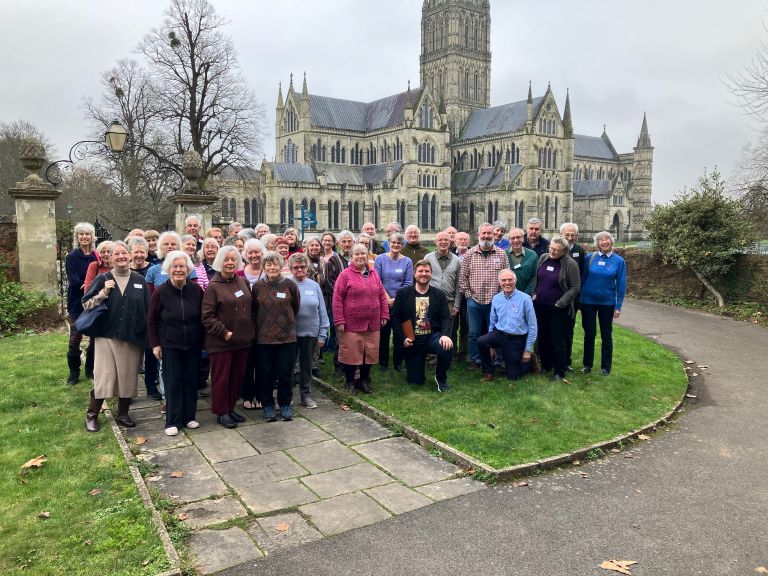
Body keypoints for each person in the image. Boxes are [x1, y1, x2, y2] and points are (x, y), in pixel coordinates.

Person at [82, 241, 149, 432]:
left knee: (128, 377)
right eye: (116, 254)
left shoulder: (139, 280)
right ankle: (92, 415)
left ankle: (123, 414)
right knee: (105, 375)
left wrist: (146, 335)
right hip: (106, 336)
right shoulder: (103, 278)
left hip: (131, 336)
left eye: (124, 253)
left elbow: (147, 308)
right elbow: (86, 304)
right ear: (110, 258)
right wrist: (103, 293)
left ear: (129, 256)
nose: (121, 257)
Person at [147, 251, 205, 436]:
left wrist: (204, 340)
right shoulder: (161, 292)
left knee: (190, 380)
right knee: (173, 382)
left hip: (193, 345)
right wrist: (155, 344)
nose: (179, 270)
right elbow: (151, 320)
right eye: (175, 266)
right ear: (168, 269)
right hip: (170, 345)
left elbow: (203, 317)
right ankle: (172, 420)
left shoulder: (196, 290)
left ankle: (189, 417)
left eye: (182, 266)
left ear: (188, 269)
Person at [201, 245, 255, 429]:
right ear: (219, 262)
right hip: (221, 342)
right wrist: (224, 332)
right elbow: (207, 317)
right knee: (221, 378)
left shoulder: (242, 282)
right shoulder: (213, 287)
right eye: (226, 259)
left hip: (242, 341)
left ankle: (230, 408)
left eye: (233, 259)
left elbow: (250, 307)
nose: (230, 262)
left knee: (236, 377)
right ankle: (221, 412)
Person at [333, 243, 389, 394]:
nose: (360, 256)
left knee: (369, 354)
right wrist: (339, 320)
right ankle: (350, 382)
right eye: (356, 254)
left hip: (373, 322)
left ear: (367, 256)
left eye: (363, 254)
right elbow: (337, 298)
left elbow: (381, 295)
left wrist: (384, 314)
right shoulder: (345, 275)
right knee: (352, 354)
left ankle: (363, 381)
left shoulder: (374, 274)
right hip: (351, 323)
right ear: (351, 257)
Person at [391, 260, 454, 391]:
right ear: (414, 274)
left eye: (427, 271)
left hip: (432, 336)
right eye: (420, 271)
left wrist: (445, 335)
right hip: (413, 340)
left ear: (431, 274)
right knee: (415, 381)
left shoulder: (439, 294)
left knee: (446, 346)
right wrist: (402, 338)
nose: (423, 274)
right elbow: (395, 318)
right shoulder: (403, 293)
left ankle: (440, 378)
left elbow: (446, 318)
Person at [253, 252, 301, 421]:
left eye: (275, 264)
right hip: (264, 339)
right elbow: (254, 310)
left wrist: (286, 324)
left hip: (286, 337)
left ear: (281, 266)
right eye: (268, 265)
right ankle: (267, 405)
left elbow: (295, 307)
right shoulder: (257, 286)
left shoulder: (290, 285)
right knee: (265, 373)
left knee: (285, 373)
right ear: (264, 267)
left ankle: (285, 404)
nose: (272, 268)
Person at [457, 223, 510, 369]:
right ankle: (476, 359)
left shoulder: (501, 254)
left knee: (496, 331)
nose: (486, 236)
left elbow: (506, 277)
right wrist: (468, 295)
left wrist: (501, 297)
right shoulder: (470, 254)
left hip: (496, 301)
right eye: (483, 233)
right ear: (478, 235)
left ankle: (498, 360)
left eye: (489, 233)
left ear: (493, 235)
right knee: (473, 333)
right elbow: (463, 278)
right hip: (474, 301)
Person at [531, 235, 581, 382]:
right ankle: (546, 365)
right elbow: (537, 278)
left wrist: (560, 303)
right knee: (544, 338)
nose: (552, 252)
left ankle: (559, 371)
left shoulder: (570, 264)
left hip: (559, 310)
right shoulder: (544, 258)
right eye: (551, 248)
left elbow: (575, 287)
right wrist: (534, 292)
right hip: (540, 306)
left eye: (556, 250)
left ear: (564, 251)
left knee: (558, 341)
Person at [580, 231, 627, 376]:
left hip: (607, 303)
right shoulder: (590, 258)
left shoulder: (619, 261)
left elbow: (621, 284)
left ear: (612, 241)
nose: (605, 242)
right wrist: (579, 300)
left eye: (607, 239)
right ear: (597, 243)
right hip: (587, 301)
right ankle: (587, 365)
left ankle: (605, 367)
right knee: (589, 334)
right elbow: (582, 280)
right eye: (601, 240)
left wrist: (618, 306)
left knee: (606, 335)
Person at [478, 270, 538, 381]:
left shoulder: (525, 299)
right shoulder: (496, 298)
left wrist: (528, 350)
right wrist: (491, 344)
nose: (507, 283)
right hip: (500, 334)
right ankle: (488, 373)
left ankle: (530, 362)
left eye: (510, 280)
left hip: (517, 338)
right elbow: (492, 321)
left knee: (514, 376)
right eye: (504, 280)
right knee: (481, 341)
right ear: (500, 283)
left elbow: (533, 326)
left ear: (515, 281)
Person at [288, 252, 329, 409]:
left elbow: (322, 312)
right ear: (291, 269)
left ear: (307, 268)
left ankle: (306, 395)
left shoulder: (314, 285)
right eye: (296, 267)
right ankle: (288, 395)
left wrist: (322, 334)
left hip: (310, 333)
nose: (299, 270)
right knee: (289, 366)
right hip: (291, 334)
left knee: (307, 366)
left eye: (302, 267)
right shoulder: (287, 284)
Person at [374, 232, 413, 373]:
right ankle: (383, 364)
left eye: (399, 243)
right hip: (383, 302)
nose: (396, 245)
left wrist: (396, 299)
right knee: (383, 334)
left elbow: (408, 283)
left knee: (399, 334)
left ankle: (398, 363)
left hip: (400, 303)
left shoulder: (407, 261)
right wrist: (387, 298)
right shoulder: (380, 259)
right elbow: (377, 280)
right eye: (393, 242)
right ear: (388, 243)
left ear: (402, 245)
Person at [65, 223, 98, 384]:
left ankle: (90, 369)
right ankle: (74, 372)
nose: (85, 237)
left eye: (87, 234)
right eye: (81, 234)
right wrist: (92, 284)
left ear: (92, 237)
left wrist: (92, 286)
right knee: (75, 338)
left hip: (94, 302)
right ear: (77, 237)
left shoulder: (96, 256)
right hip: (77, 302)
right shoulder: (71, 257)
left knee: (94, 339)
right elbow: (74, 280)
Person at [425, 231, 461, 359]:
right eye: (440, 240)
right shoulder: (428, 258)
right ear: (436, 242)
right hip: (431, 300)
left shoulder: (457, 261)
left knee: (450, 329)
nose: (443, 242)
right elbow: (424, 278)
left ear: (450, 242)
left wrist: (457, 304)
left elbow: (458, 285)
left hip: (449, 301)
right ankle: (430, 356)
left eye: (446, 240)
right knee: (431, 327)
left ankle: (449, 355)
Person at [561, 222, 587, 370]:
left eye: (573, 235)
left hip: (572, 300)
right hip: (556, 298)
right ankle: (551, 360)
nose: (570, 238)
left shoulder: (580, 251)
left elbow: (582, 275)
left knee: (569, 330)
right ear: (561, 235)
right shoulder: (555, 248)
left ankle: (566, 362)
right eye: (567, 235)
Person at [506, 227, 538, 295]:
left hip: (527, 295)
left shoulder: (532, 255)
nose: (516, 240)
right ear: (509, 240)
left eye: (518, 237)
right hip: (507, 295)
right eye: (512, 238)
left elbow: (535, 277)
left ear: (523, 238)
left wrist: (526, 293)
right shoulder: (504, 254)